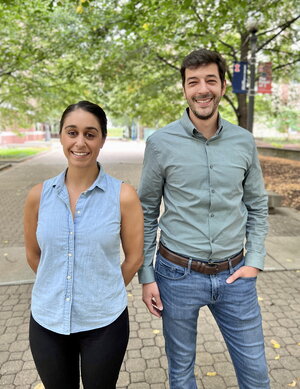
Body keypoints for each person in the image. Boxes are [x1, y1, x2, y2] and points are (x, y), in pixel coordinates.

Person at [138, 49, 270, 389]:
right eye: (193, 82)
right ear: (184, 89)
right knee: (181, 373)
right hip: (176, 275)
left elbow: (257, 205)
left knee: (256, 373)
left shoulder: (244, 142)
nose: (202, 89)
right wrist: (146, 276)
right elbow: (146, 212)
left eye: (211, 80)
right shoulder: (160, 143)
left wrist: (254, 260)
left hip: (235, 276)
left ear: (223, 86)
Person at [24, 100, 144, 389]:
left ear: (102, 139)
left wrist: (104, 289)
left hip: (104, 323)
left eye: (90, 134)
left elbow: (134, 258)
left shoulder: (123, 196)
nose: (80, 142)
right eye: (72, 132)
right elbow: (32, 254)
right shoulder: (38, 196)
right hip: (47, 321)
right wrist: (57, 284)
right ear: (61, 136)